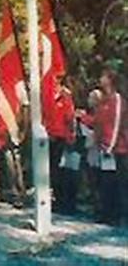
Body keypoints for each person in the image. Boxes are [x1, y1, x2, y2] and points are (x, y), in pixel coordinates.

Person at [93, 68, 128, 226]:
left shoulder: (117, 100)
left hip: (116, 149)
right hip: (103, 148)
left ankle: (117, 215)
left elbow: (117, 124)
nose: (100, 79)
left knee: (115, 182)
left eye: (103, 76)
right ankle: (106, 212)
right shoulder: (104, 101)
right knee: (105, 181)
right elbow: (99, 123)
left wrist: (110, 146)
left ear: (110, 80)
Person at [47, 75, 76, 213]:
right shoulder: (48, 94)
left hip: (61, 137)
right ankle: (52, 198)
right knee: (51, 169)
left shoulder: (65, 95)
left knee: (59, 170)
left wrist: (70, 136)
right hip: (49, 136)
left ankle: (62, 201)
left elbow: (69, 118)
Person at [76, 89, 102, 218]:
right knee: (90, 175)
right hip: (89, 148)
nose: (89, 100)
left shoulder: (101, 111)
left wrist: (83, 118)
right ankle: (93, 203)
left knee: (96, 177)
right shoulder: (92, 112)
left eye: (92, 98)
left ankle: (98, 206)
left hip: (97, 149)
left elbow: (95, 123)